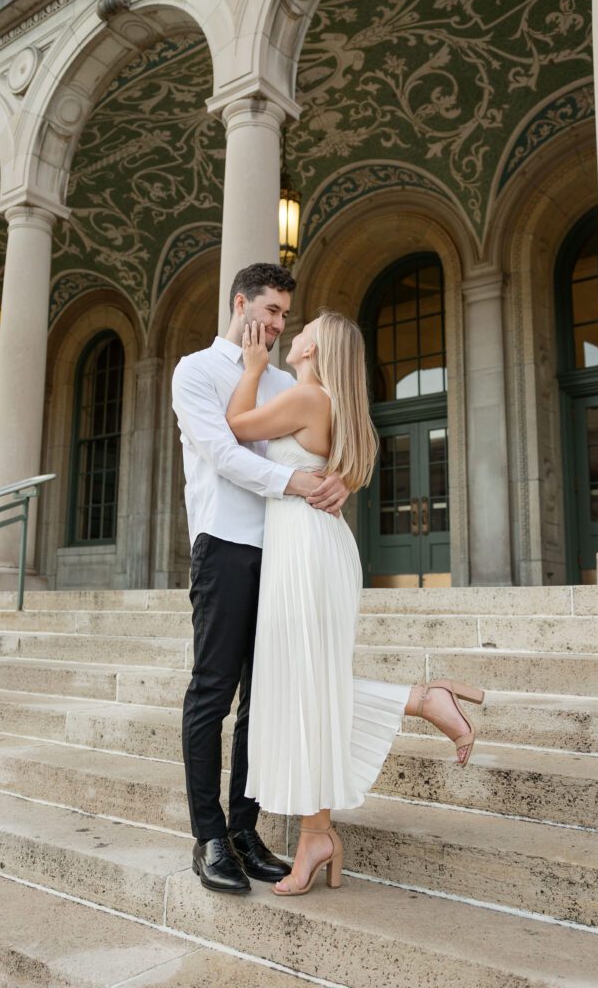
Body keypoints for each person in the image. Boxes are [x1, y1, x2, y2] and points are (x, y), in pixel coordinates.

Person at [225, 311, 485, 896]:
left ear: (317, 346)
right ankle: (319, 829)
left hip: (306, 550)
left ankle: (419, 706)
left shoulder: (308, 397)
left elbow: (237, 426)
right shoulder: (321, 401)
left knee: (299, 685)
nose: (293, 331)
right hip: (309, 546)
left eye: (303, 326)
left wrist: (251, 366)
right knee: (300, 684)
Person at [172, 263, 351, 895]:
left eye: (284, 315)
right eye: (269, 310)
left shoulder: (281, 378)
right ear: (240, 302)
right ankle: (210, 836)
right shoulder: (195, 370)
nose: (277, 324)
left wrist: (337, 479)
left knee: (263, 699)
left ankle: (246, 829)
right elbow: (221, 452)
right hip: (224, 545)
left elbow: (327, 432)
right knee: (213, 692)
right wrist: (294, 481)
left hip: (284, 552)